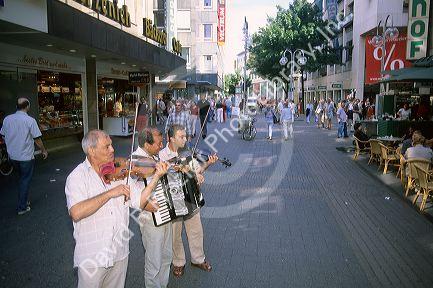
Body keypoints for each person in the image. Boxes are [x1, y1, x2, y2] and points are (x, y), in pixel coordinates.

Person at [64, 130, 168, 288]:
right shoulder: (77, 177)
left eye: (111, 145)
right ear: (91, 151)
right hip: (93, 256)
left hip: (119, 252)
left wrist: (156, 177)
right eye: (107, 147)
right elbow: (76, 212)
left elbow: (140, 201)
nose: (113, 149)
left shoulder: (119, 174)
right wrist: (110, 193)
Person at [159, 125, 217, 278]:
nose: (185, 139)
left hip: (191, 198)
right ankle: (178, 262)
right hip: (174, 200)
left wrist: (208, 164)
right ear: (171, 138)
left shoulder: (187, 152)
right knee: (175, 234)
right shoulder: (161, 155)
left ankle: (198, 259)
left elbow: (197, 172)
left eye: (185, 136)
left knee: (196, 231)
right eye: (181, 137)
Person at [133, 127, 173, 288]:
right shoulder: (135, 162)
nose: (161, 145)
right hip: (150, 218)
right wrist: (149, 204)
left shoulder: (156, 158)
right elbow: (135, 197)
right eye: (158, 143)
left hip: (166, 212)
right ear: (146, 144)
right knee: (154, 261)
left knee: (166, 256)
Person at [0, 98, 48, 215]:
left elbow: (3, 135)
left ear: (17, 106)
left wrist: (10, 145)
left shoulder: (7, 119)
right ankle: (22, 207)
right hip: (25, 157)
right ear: (27, 107)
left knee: (21, 179)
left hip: (13, 157)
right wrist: (44, 150)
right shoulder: (30, 120)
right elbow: (37, 139)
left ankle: (24, 200)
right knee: (24, 180)